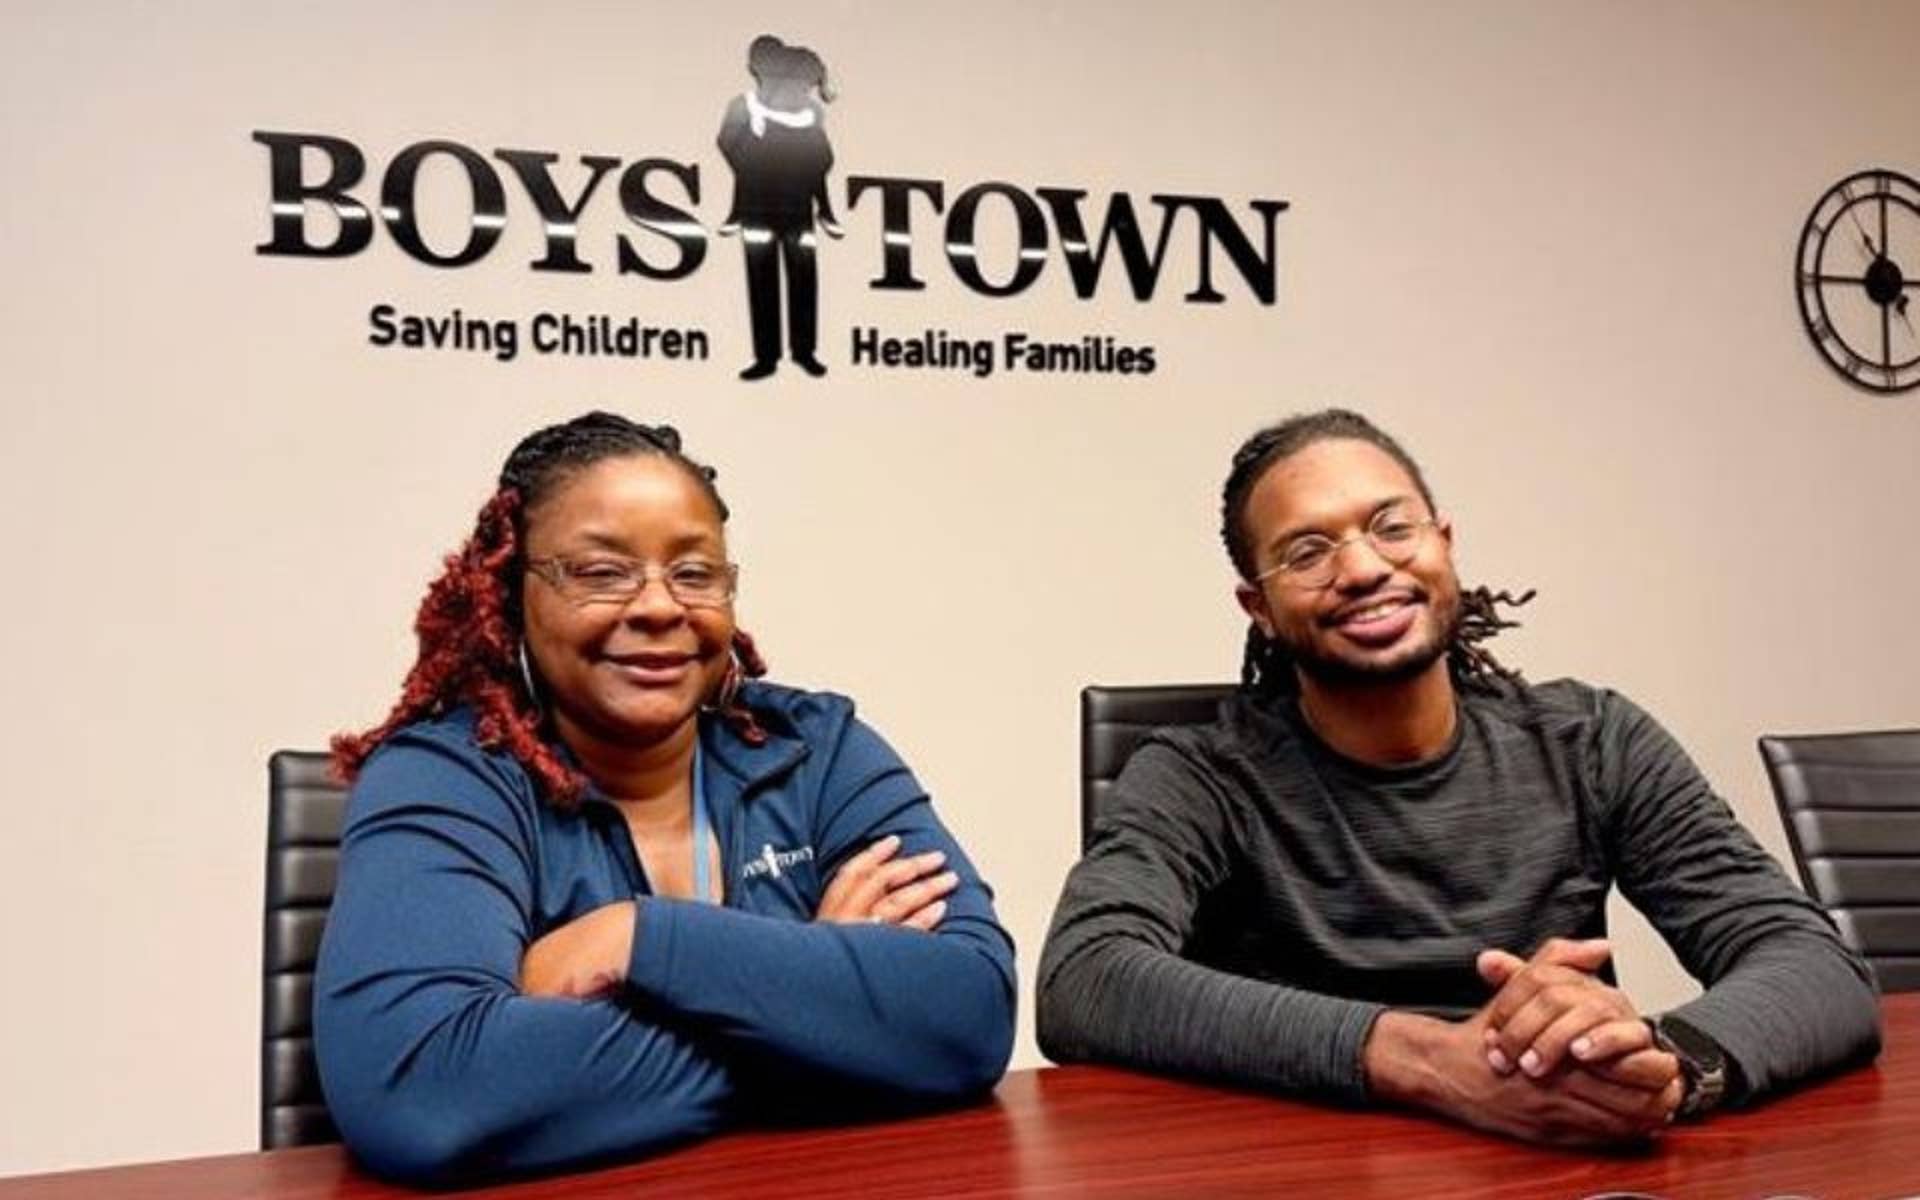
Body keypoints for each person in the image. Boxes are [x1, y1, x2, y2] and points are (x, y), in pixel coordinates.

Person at [1037, 408, 1880, 1147]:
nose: (1364, 568)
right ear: (1258, 606)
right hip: (1313, 1174)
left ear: (1445, 543)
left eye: (1392, 527)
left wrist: (1659, 1066)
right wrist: (1428, 1061)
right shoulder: (1198, 774)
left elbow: (1813, 962)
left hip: (1558, 1167)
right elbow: (1085, 976)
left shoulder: (1591, 741)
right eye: (1307, 551)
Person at [316, 412, 1015, 1181]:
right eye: (601, 572)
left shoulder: (820, 751)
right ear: (514, 598)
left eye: (694, 573)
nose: (658, 606)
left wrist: (639, 938)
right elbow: (430, 1092)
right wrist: (821, 1006)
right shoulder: (446, 777)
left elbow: (969, 1016)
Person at [716, 35, 841, 380]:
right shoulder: (743, 106)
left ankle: (804, 351)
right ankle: (766, 356)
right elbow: (727, 143)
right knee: (762, 279)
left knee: (803, 277)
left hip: (798, 206)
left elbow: (824, 155)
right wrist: (756, 156)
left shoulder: (810, 111)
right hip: (756, 205)